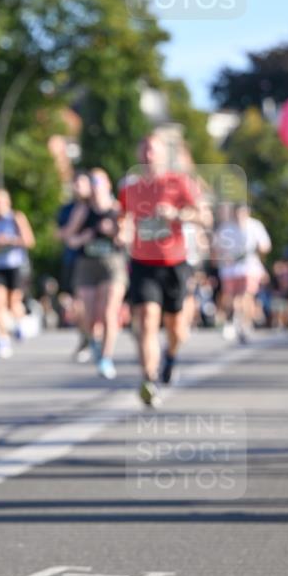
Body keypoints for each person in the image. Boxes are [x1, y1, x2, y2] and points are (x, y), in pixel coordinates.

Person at [119, 133, 201, 406]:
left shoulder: (179, 182)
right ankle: (148, 379)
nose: (148, 155)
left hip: (174, 264)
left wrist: (176, 214)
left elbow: (201, 213)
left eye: (153, 150)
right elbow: (122, 219)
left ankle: (171, 356)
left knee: (176, 328)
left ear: (164, 155)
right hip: (143, 263)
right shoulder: (130, 188)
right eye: (144, 149)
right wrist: (121, 232)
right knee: (146, 321)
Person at [63, 168, 128, 379]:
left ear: (107, 185)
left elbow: (128, 237)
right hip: (87, 264)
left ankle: (106, 358)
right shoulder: (82, 210)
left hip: (112, 264)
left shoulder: (117, 209)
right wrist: (84, 237)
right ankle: (93, 342)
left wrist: (115, 231)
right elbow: (68, 237)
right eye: (92, 183)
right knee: (90, 317)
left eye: (99, 183)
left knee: (109, 311)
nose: (96, 188)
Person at [0, 189, 35, 358]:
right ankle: (3, 340)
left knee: (13, 302)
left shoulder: (16, 218)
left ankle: (20, 322)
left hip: (14, 265)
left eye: (1, 201)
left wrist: (10, 240)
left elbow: (29, 241)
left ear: (8, 203)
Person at [213, 203, 271, 344]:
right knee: (232, 298)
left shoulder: (255, 226)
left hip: (249, 267)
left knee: (246, 295)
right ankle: (233, 320)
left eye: (243, 213)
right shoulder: (226, 228)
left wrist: (259, 249)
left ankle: (245, 324)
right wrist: (220, 257)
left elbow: (266, 246)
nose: (240, 216)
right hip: (230, 269)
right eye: (238, 213)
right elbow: (216, 248)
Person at [56, 170, 92, 362]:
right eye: (75, 183)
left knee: (94, 306)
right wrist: (73, 230)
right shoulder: (68, 209)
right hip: (74, 261)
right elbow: (60, 234)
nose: (78, 187)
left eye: (82, 183)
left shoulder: (97, 207)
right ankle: (86, 338)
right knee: (77, 305)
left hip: (96, 262)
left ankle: (93, 339)